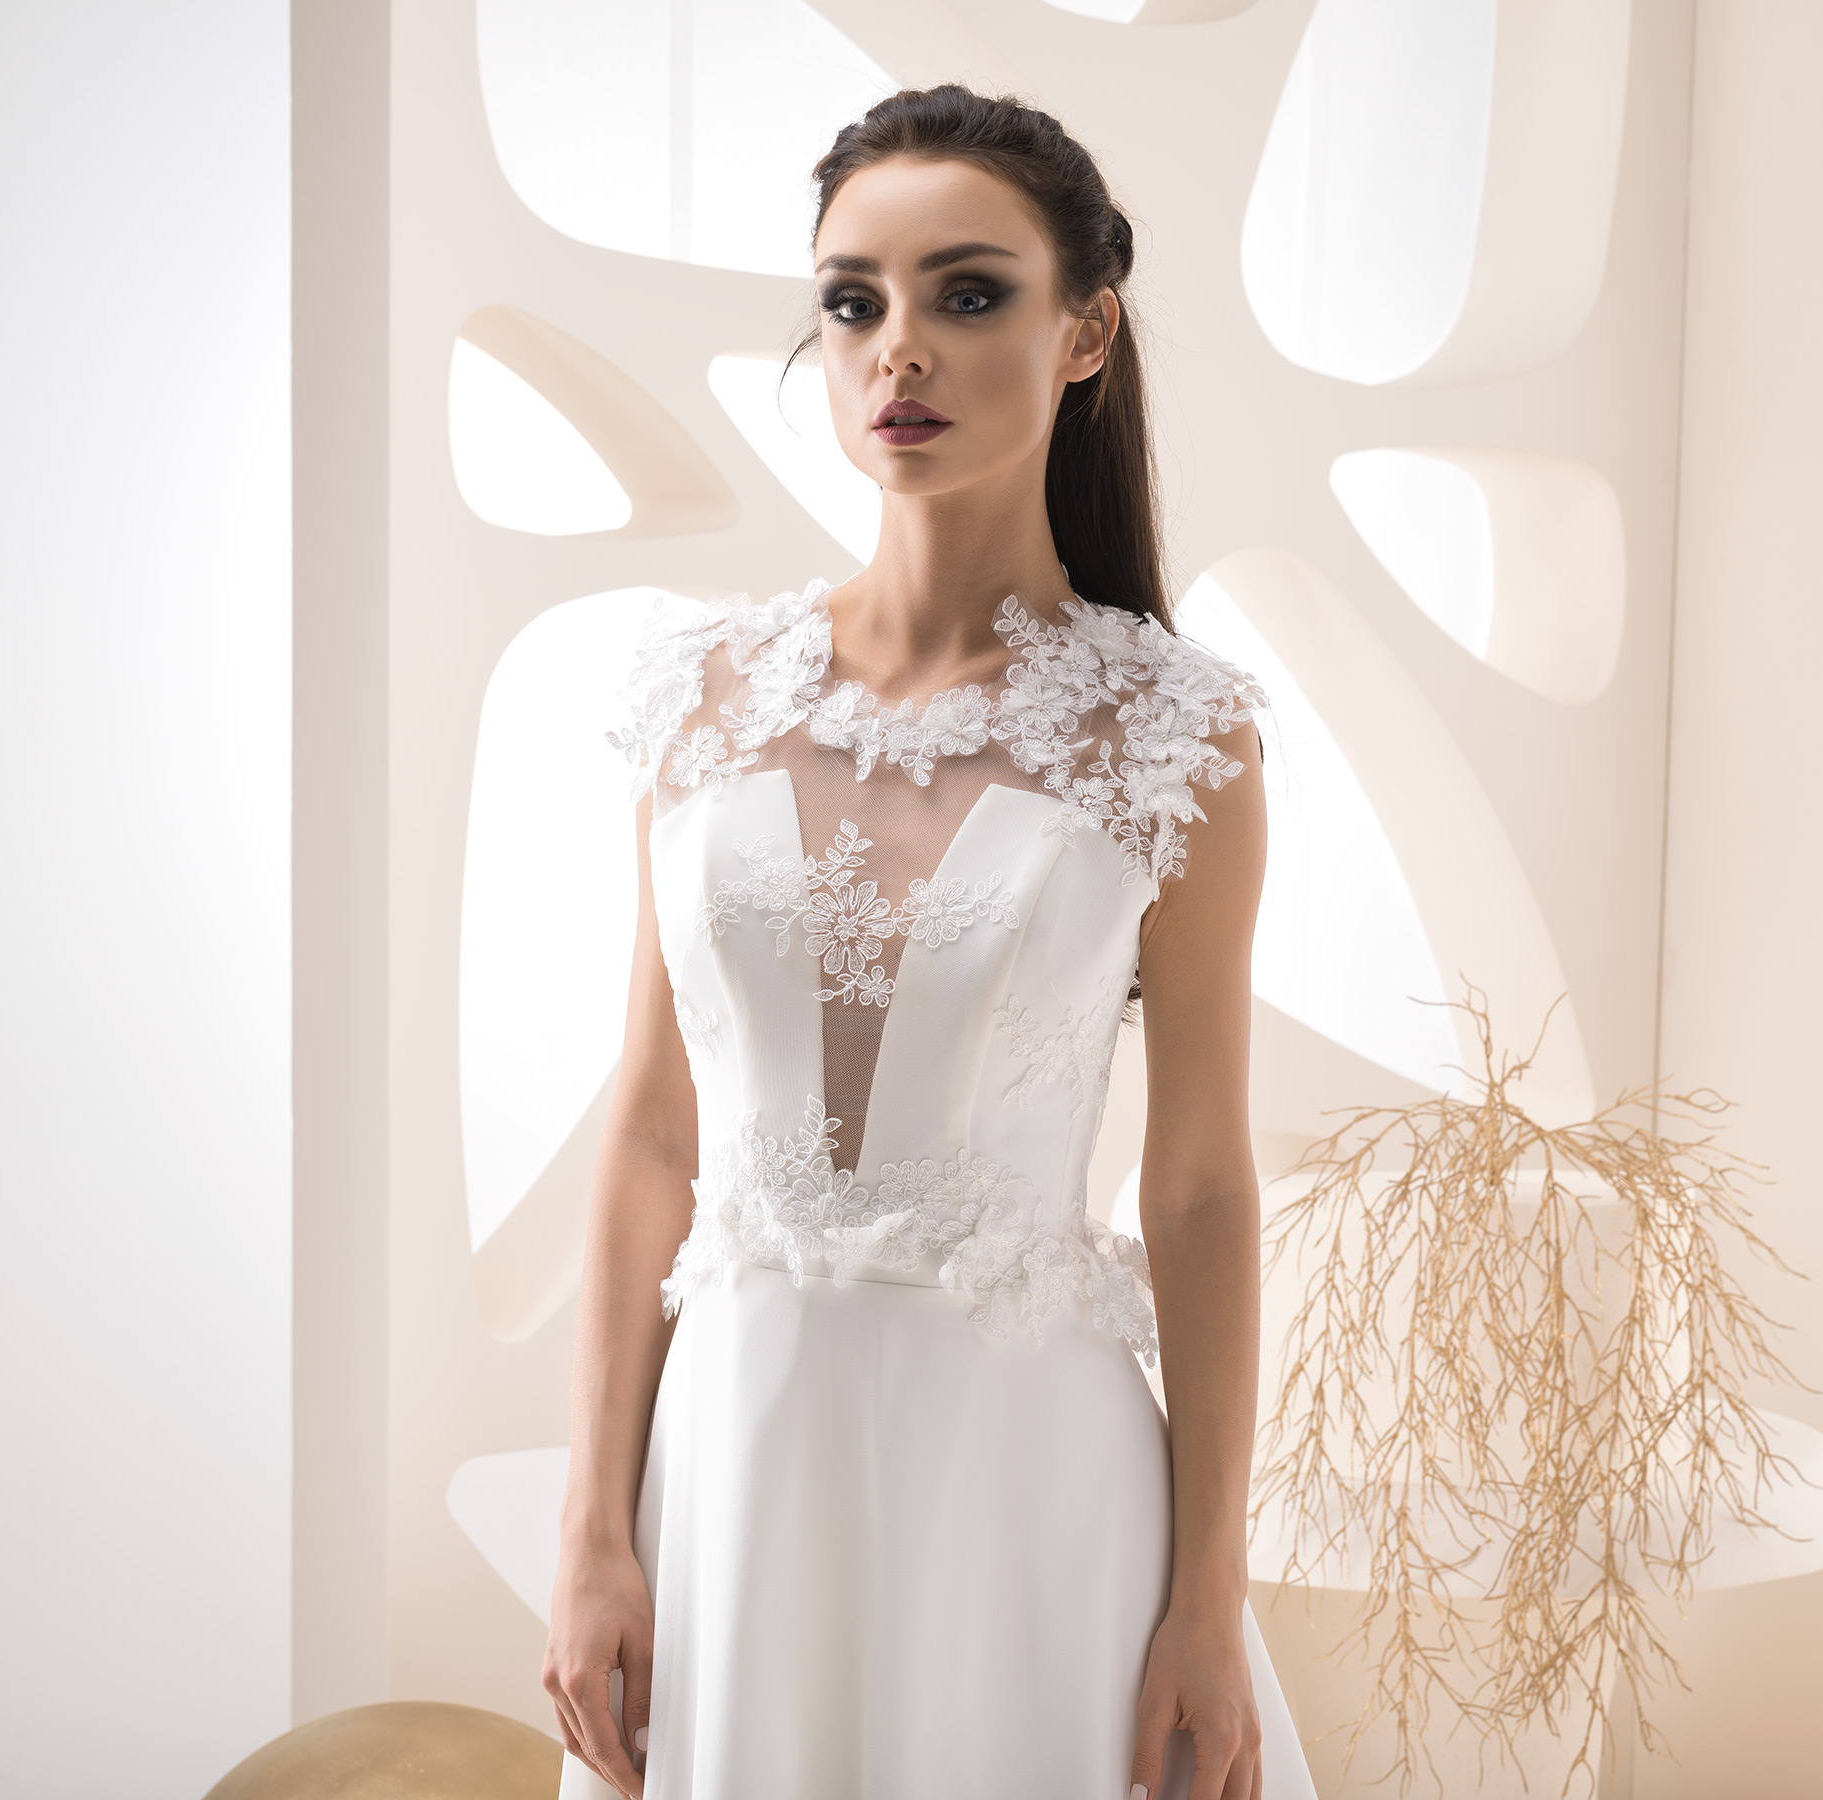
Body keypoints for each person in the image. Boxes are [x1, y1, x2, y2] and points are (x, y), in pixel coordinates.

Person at [541, 85, 1315, 1800]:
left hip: (1031, 1490)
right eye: (853, 301)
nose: (898, 348)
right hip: (734, 1474)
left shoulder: (1175, 733)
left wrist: (1210, 1594)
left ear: (1085, 331)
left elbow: (1199, 1186)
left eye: (968, 294)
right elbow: (654, 1137)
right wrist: (592, 1528)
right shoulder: (701, 697)